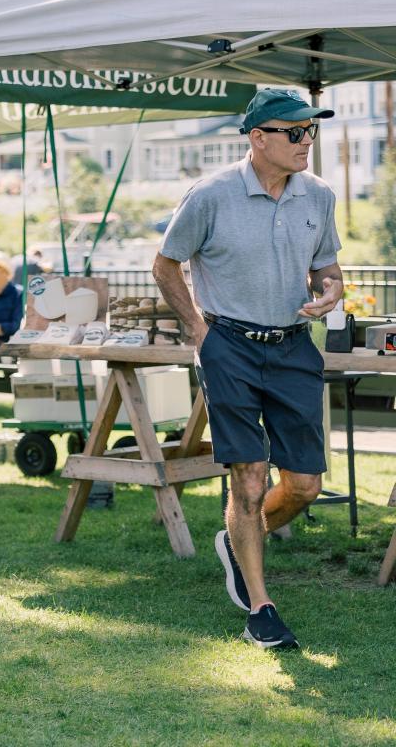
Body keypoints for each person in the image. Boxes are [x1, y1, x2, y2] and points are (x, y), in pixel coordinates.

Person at [153, 89, 340, 652]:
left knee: (304, 486)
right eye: (294, 132)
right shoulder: (210, 196)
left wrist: (330, 292)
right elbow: (165, 265)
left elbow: (327, 269)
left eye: (311, 132)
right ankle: (261, 608)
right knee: (250, 480)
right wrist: (199, 331)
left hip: (292, 348)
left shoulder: (320, 196)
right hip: (228, 344)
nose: (306, 141)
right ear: (258, 138)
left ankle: (238, 539)